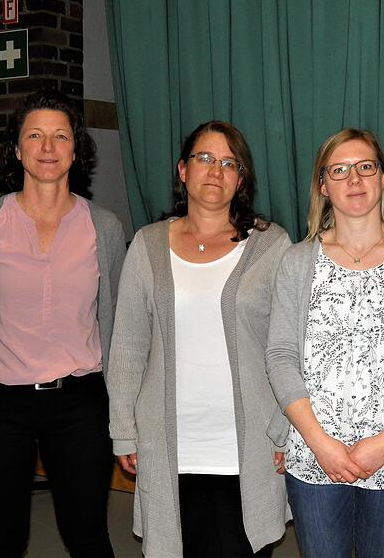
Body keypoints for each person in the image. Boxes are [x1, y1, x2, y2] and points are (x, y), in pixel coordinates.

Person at [0, 88, 126, 557]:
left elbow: (116, 316)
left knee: (88, 536)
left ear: (76, 149)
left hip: (82, 404)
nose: (48, 148)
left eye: (60, 136)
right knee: (1, 541)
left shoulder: (104, 228)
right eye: (36, 136)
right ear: (18, 148)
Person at [266, 128, 384, 558]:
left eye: (365, 167)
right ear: (323, 185)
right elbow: (280, 357)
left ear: (383, 178)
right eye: (340, 170)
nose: (354, 179)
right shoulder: (296, 262)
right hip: (314, 455)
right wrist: (320, 444)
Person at [107, 120, 292, 557]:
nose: (216, 170)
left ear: (241, 179)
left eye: (230, 163)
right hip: (170, 442)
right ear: (182, 170)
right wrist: (124, 431)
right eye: (204, 158)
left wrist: (288, 429)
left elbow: (292, 347)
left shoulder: (272, 246)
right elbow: (128, 345)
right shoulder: (147, 245)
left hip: (248, 444)